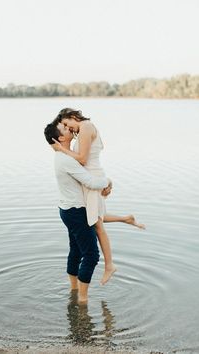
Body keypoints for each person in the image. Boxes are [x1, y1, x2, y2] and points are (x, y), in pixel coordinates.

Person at [51, 108, 145, 285]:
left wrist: (62, 150)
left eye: (65, 123)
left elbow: (83, 159)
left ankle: (109, 265)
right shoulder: (81, 130)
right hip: (89, 178)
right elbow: (77, 158)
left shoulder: (86, 126)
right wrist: (60, 149)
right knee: (93, 215)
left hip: (92, 178)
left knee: (96, 224)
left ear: (72, 117)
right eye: (63, 126)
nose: (67, 127)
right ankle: (126, 218)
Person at [44, 121, 112, 304]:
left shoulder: (62, 156)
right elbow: (90, 181)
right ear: (60, 138)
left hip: (67, 210)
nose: (70, 128)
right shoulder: (66, 159)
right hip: (75, 211)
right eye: (65, 128)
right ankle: (82, 301)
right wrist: (108, 181)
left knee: (75, 251)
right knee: (91, 255)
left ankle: (74, 290)